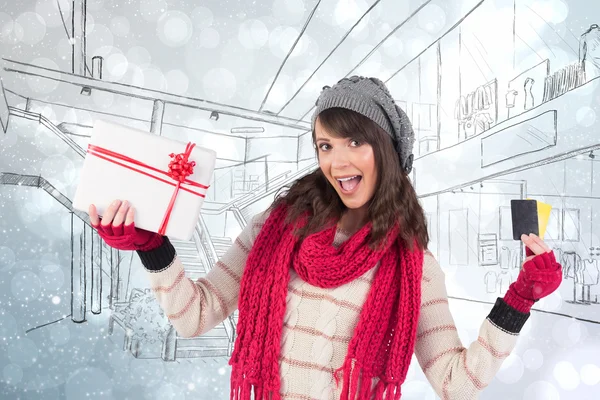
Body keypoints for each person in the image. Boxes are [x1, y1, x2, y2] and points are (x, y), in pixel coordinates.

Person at [88, 76, 563, 400]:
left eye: (355, 142)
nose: (337, 161)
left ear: (388, 152)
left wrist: (519, 300)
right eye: (326, 145)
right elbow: (195, 315)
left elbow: (455, 382)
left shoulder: (414, 268)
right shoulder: (275, 229)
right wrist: (153, 247)